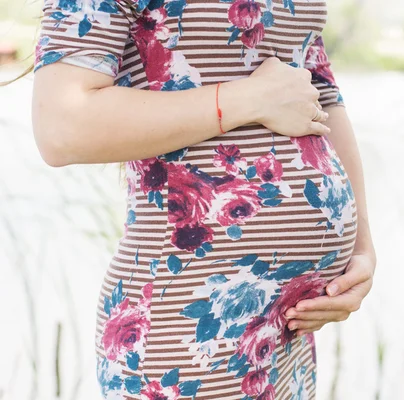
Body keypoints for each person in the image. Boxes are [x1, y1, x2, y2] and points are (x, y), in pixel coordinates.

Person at [31, 0, 376, 398]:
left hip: (287, 334)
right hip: (187, 328)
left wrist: (360, 249)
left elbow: (322, 96)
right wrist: (249, 100)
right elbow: (61, 126)